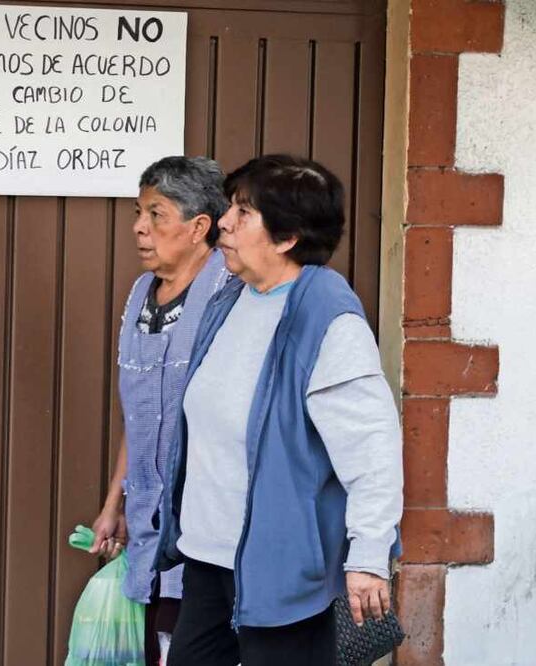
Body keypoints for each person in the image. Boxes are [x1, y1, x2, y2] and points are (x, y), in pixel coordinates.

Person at [154, 155, 403, 666]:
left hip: (282, 573)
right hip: (208, 561)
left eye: (243, 213)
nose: (223, 221)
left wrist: (369, 557)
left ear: (287, 237)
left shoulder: (328, 321)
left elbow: (372, 451)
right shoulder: (233, 299)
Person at [89, 156, 230, 666]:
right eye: (138, 213)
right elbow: (140, 413)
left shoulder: (227, 295)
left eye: (156, 214)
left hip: (207, 526)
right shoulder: (141, 295)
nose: (139, 228)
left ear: (199, 227)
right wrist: (115, 502)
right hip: (150, 523)